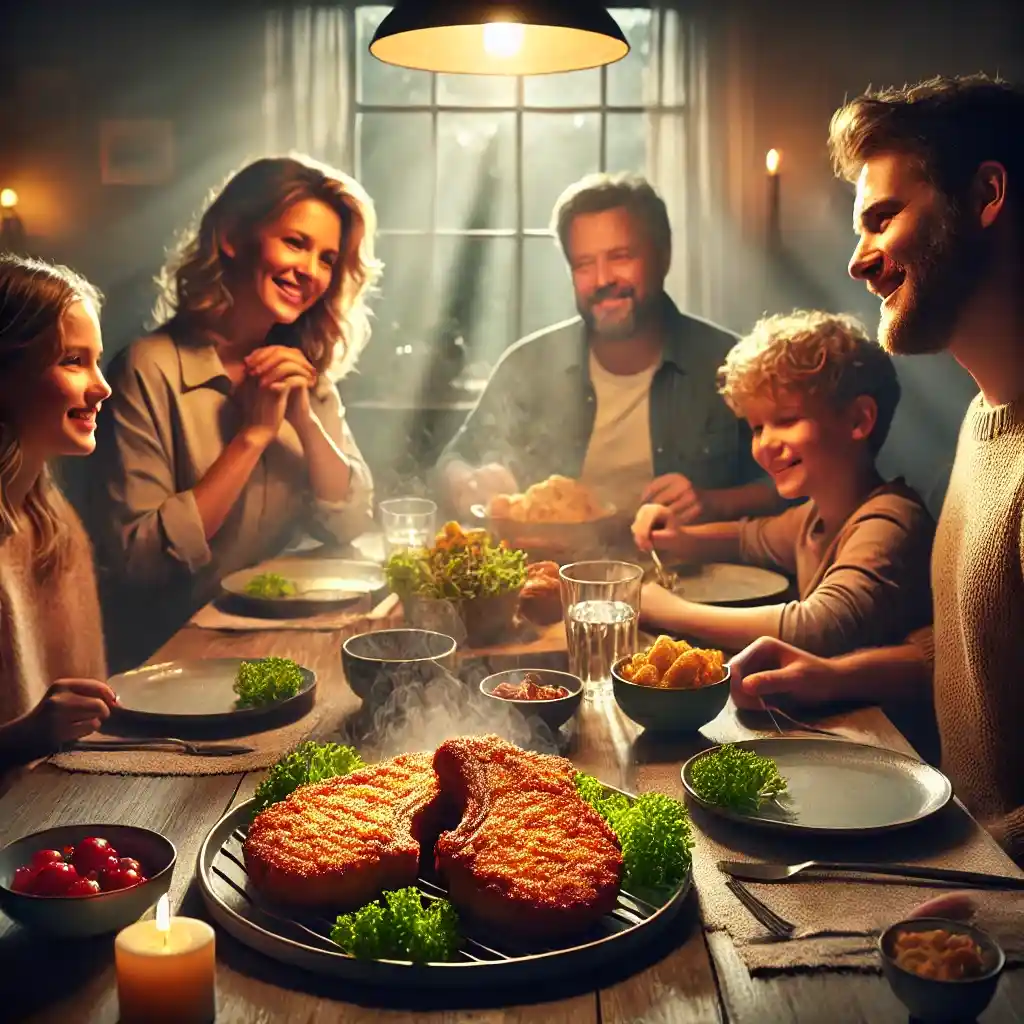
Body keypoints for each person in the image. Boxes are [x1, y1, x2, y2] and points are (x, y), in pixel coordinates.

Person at [729, 74, 1024, 864]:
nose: (858, 262)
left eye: (883, 218)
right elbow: (972, 650)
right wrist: (833, 674)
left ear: (987, 194)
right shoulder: (982, 420)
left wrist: (982, 873)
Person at [91, 155, 380, 669]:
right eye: (296, 243)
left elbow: (352, 519)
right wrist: (252, 436)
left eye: (328, 258)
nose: (311, 271)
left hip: (282, 647)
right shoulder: (147, 369)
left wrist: (304, 421)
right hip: (170, 661)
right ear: (231, 236)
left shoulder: (302, 368)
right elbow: (138, 561)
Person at [437, 172, 779, 523]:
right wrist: (467, 483)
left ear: (663, 256)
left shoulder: (730, 364)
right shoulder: (529, 364)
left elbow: (793, 487)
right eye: (584, 264)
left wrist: (713, 503)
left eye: (621, 256)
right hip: (550, 572)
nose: (602, 280)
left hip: (688, 572)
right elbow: (453, 461)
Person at [633, 309, 934, 656]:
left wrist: (670, 611)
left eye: (787, 419)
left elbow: (817, 626)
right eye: (758, 427)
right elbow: (748, 539)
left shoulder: (890, 521)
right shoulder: (816, 516)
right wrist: (682, 539)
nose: (765, 445)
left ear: (858, 419)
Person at [0, 254, 117, 774]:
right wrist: (24, 737)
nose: (102, 386)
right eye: (73, 361)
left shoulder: (50, 519)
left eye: (96, 359)